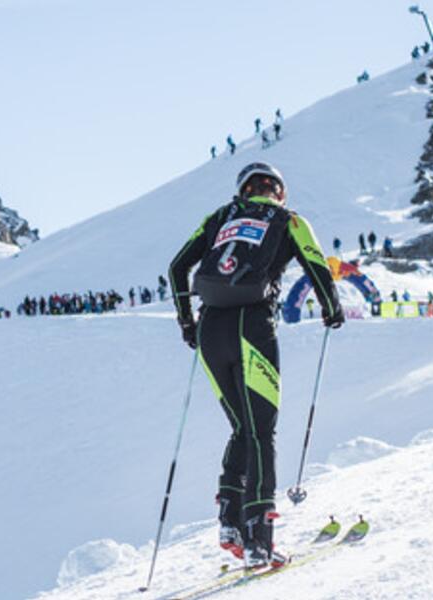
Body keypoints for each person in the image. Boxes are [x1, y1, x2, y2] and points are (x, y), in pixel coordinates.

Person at [168, 162, 342, 569]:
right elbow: (316, 262)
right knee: (261, 431)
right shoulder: (288, 220)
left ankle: (230, 522)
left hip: (210, 329)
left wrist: (186, 323)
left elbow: (176, 267)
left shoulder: (219, 218)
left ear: (243, 191)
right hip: (253, 327)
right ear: (278, 192)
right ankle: (259, 543)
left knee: (242, 428)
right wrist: (332, 309)